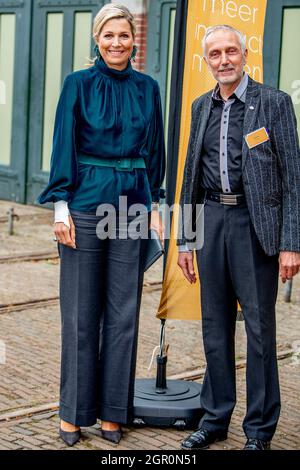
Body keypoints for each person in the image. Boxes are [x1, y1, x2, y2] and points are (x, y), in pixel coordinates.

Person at [38, 3, 165, 447]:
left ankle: (113, 412)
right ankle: (73, 415)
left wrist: (156, 205)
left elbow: (155, 153)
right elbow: (62, 147)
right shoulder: (77, 84)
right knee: (80, 316)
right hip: (85, 207)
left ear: (135, 40)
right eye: (108, 35)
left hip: (131, 207)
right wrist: (59, 208)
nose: (116, 43)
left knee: (123, 315)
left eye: (124, 36)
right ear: (97, 38)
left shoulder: (149, 89)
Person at [177, 25, 300, 451]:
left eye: (231, 51)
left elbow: (293, 180)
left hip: (255, 225)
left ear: (244, 56)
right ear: (206, 61)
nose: (224, 59)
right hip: (211, 221)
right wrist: (184, 240)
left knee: (260, 332)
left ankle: (260, 430)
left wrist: (291, 242)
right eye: (215, 54)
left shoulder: (275, 103)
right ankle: (214, 419)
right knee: (214, 328)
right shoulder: (199, 106)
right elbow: (190, 175)